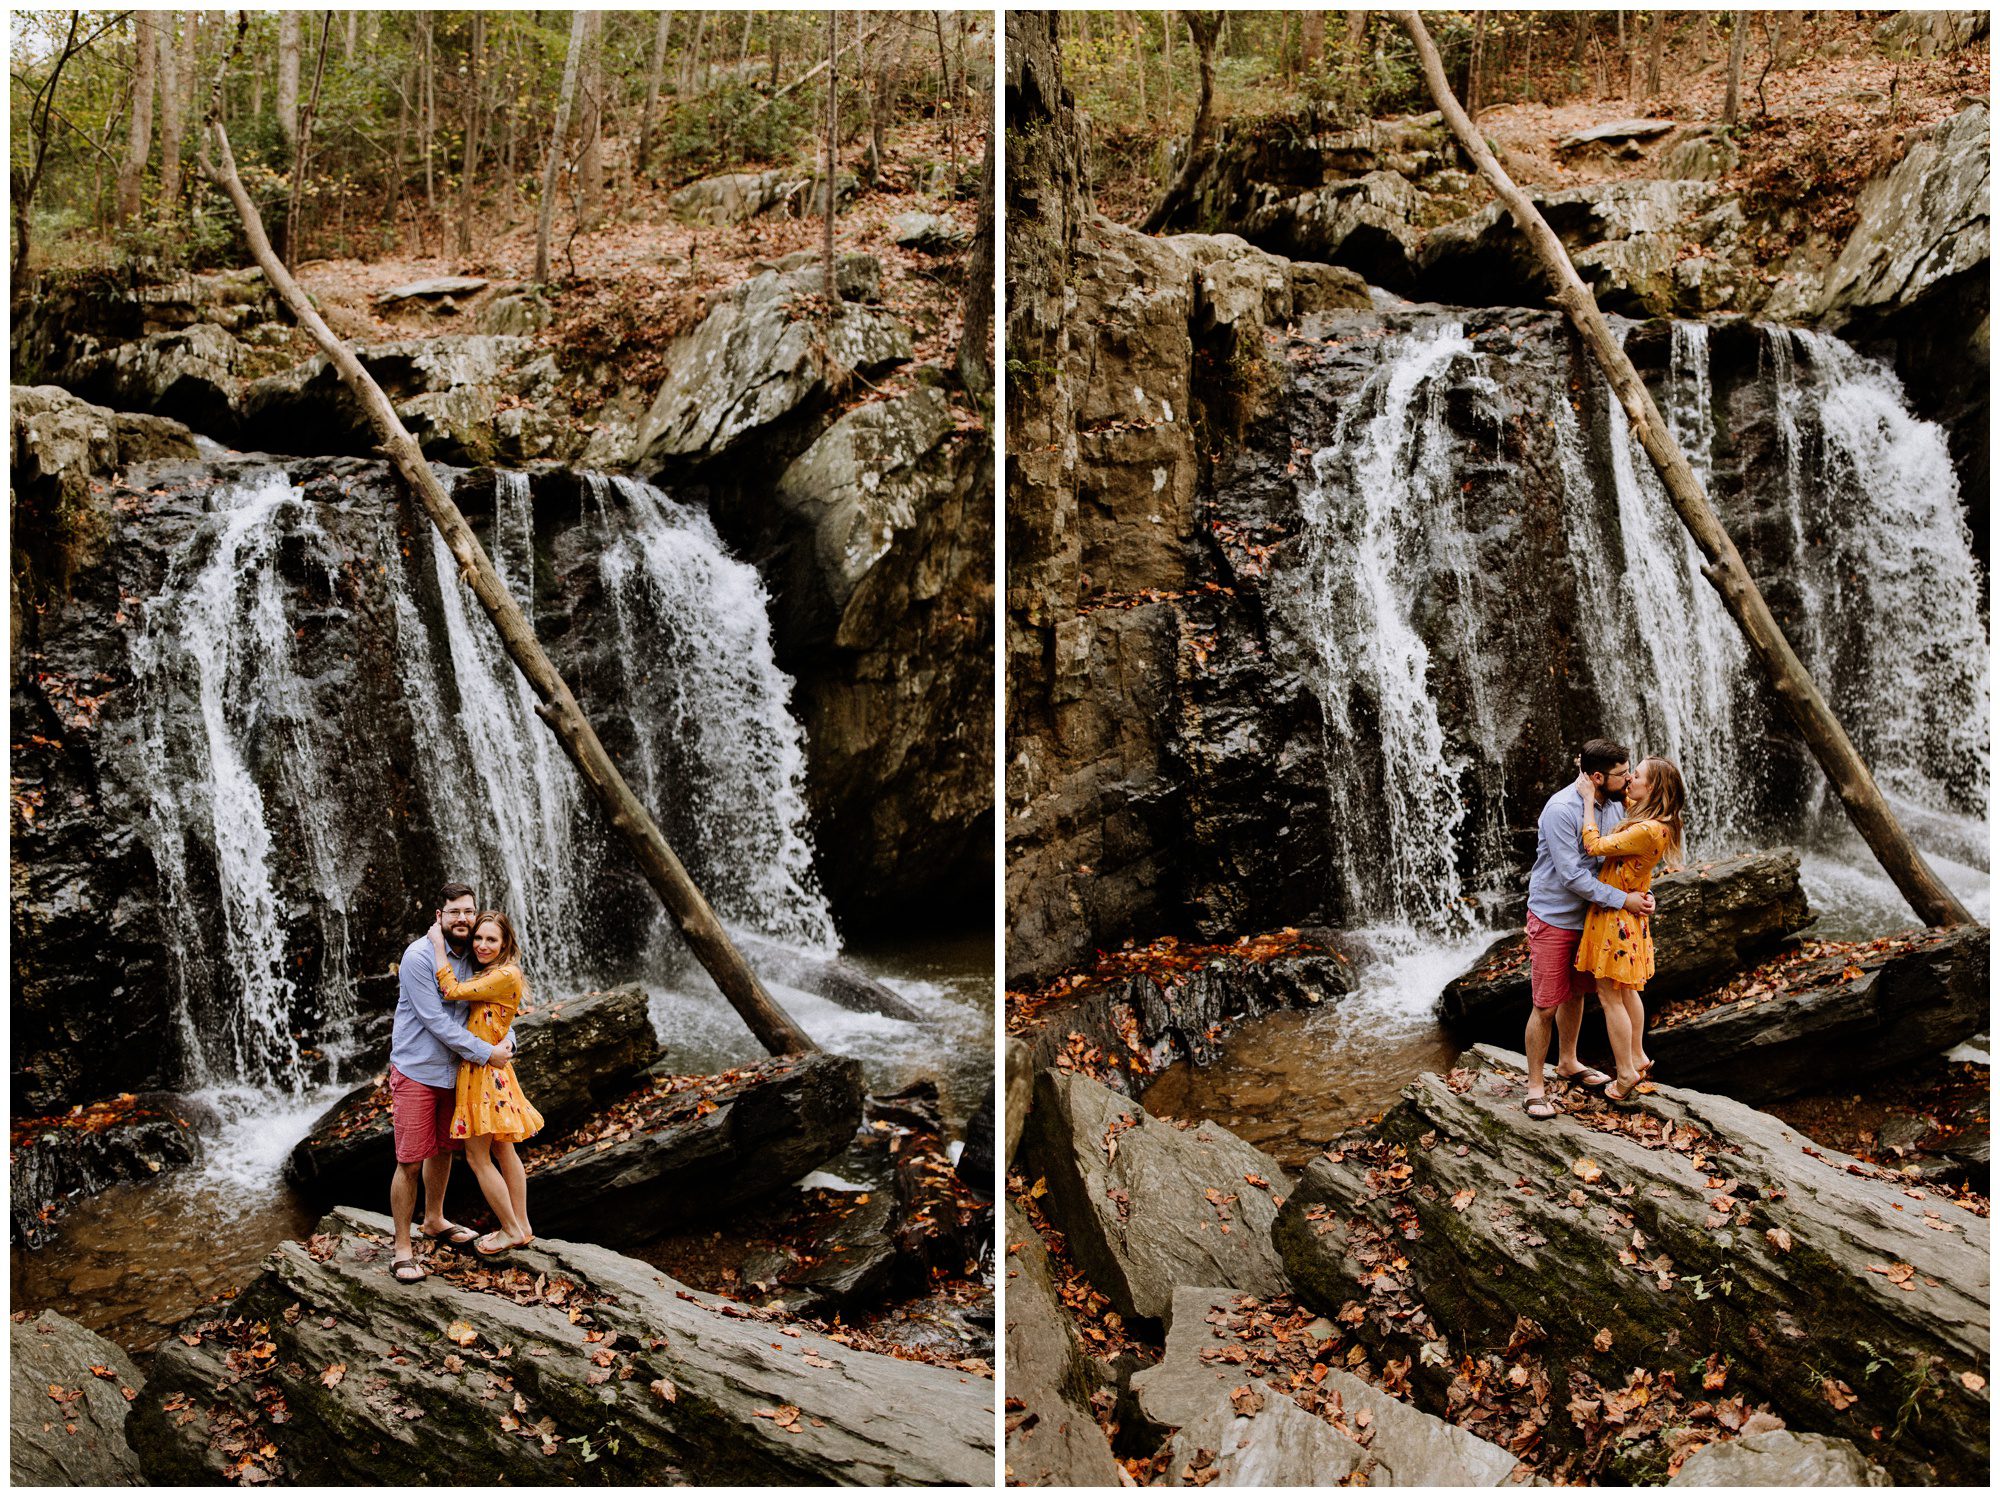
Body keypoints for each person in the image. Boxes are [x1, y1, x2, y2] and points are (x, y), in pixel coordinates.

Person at [1519, 739, 1657, 1121]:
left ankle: (1568, 1062)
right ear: (1597, 777)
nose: (1629, 778)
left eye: (1631, 771)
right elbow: (1572, 875)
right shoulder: (1562, 809)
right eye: (1621, 773)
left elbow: (1629, 859)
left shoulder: (1615, 805)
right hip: (1555, 917)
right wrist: (1623, 901)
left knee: (1577, 995)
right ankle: (1534, 1087)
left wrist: (1642, 895)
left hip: (1596, 919)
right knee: (1546, 1004)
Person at [388, 882, 515, 1285]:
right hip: (418, 1071)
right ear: (439, 914)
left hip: (458, 1073)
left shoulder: (477, 953)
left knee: (442, 1150)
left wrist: (508, 1040)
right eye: (455, 911)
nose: (463, 918)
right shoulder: (419, 956)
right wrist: (486, 1053)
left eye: (469, 911)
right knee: (409, 1160)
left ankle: (435, 1219)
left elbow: (496, 1007)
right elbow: (437, 1022)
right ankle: (402, 1249)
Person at [429, 909, 543, 1257]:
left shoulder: (505, 973)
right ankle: (522, 1225)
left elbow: (450, 990)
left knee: (478, 1157)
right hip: (492, 1071)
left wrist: (437, 945)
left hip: (483, 1074)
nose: (481, 944)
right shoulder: (498, 972)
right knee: (502, 1149)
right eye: (478, 938)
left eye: (491, 939)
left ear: (506, 942)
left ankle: (510, 1229)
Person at [1577, 756, 1688, 1107]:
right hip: (1630, 916)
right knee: (1626, 993)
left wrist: (1585, 802)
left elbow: (1593, 846)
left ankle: (1625, 1072)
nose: (1628, 780)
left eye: (1635, 775)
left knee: (1610, 997)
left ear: (1652, 788)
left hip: (1615, 919)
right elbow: (1626, 802)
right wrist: (1593, 770)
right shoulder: (1656, 822)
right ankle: (1638, 1055)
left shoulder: (1645, 829)